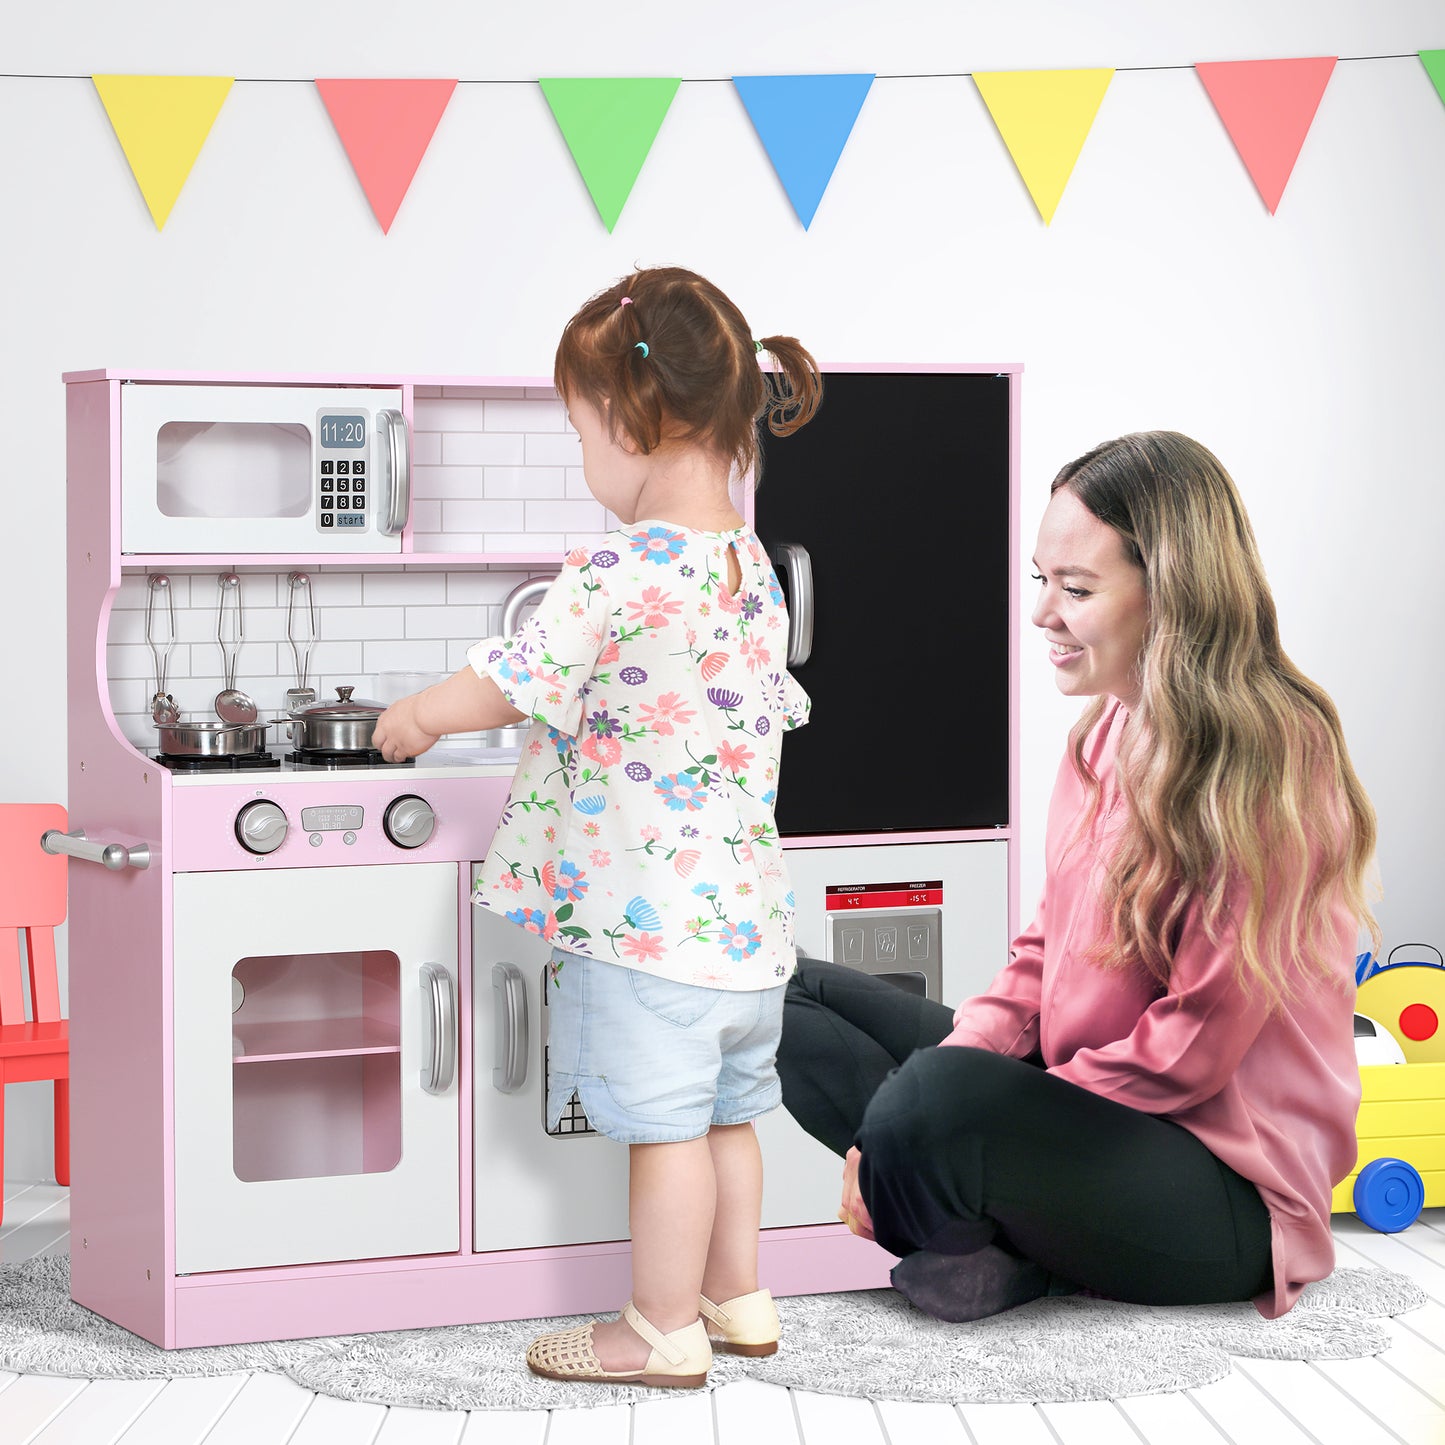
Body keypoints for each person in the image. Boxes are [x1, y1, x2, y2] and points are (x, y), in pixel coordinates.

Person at [777, 430, 1379, 1325]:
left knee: (935, 1102)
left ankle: (982, 1223)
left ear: (1170, 593)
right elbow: (1042, 951)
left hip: (1224, 1185)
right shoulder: (1105, 735)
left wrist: (948, 1108)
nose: (1042, 613)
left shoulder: (1270, 753)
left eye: (1077, 588)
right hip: (1095, 1112)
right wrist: (943, 1087)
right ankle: (992, 1232)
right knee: (768, 988)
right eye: (1041, 579)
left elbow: (1194, 1047)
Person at [373, 266, 822, 1387]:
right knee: (727, 1118)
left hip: (643, 928)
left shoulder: (618, 568)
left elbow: (511, 677)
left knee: (663, 1133)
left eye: (581, 436)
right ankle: (739, 1295)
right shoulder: (749, 567)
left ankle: (657, 1329)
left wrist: (418, 716)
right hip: (744, 930)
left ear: (634, 421)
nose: (584, 464)